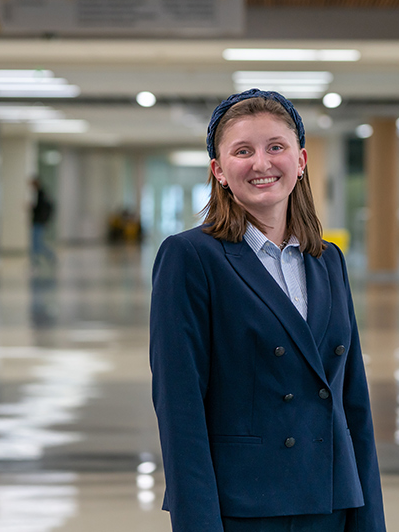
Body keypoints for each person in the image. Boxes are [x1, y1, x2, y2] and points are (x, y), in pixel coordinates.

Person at [149, 89, 386, 532]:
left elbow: (353, 403)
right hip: (244, 509)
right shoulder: (190, 257)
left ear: (300, 161)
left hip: (331, 504)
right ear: (219, 170)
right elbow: (180, 411)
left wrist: (369, 517)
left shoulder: (327, 259)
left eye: (276, 147)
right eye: (243, 151)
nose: (261, 163)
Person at [30, 177, 57, 265]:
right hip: (38, 221)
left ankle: (50, 256)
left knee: (37, 243)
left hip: (39, 221)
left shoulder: (41, 194)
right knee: (36, 243)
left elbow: (40, 209)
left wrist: (32, 208)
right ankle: (36, 261)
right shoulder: (39, 193)